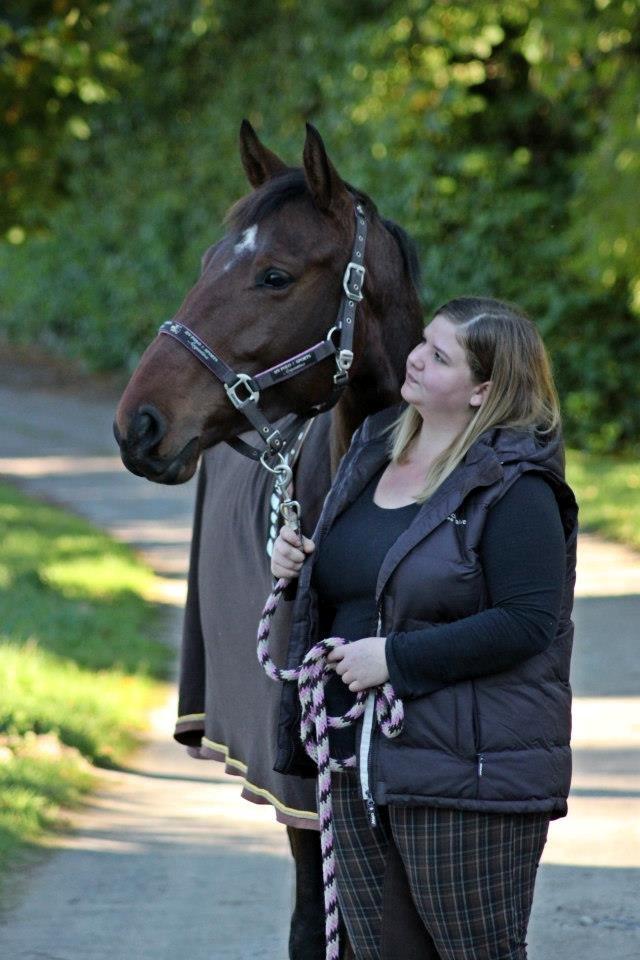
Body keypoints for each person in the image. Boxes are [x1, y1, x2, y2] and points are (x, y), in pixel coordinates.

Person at [270, 297, 578, 960]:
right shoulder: (372, 454)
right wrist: (297, 565)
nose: (416, 356)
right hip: (355, 754)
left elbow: (528, 623)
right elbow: (362, 588)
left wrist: (396, 659)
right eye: (424, 342)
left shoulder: (515, 488)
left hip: (466, 774)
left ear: (483, 392)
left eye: (440, 356)